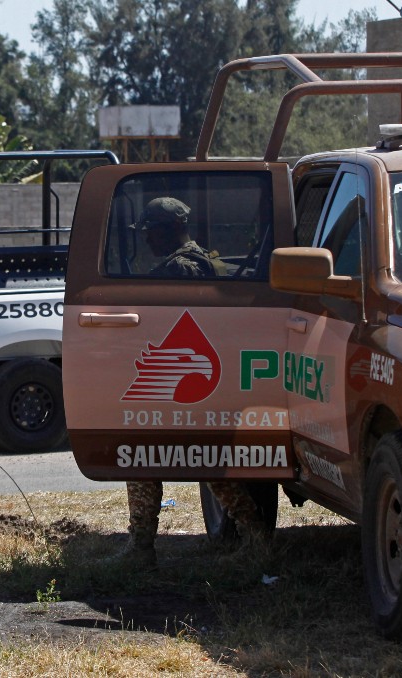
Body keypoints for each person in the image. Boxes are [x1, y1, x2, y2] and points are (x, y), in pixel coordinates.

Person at [118, 197, 264, 568]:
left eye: (150, 232)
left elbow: (170, 325)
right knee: (206, 461)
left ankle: (142, 547)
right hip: (194, 382)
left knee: (149, 459)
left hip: (184, 382)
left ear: (167, 230)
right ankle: (256, 537)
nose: (147, 241)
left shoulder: (180, 268)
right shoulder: (202, 261)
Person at [138, 196, 228, 277]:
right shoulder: (199, 253)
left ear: (175, 226)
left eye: (153, 233)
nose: (148, 240)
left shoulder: (179, 267)